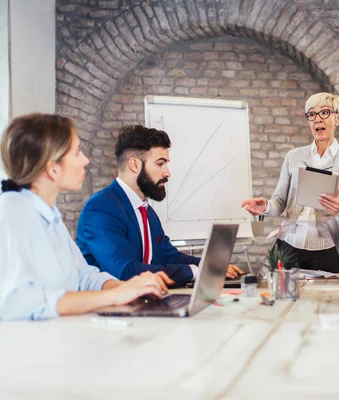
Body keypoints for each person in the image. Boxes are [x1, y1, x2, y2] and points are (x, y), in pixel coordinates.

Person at [0, 114, 171, 320]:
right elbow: (18, 300)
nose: (86, 160)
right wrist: (114, 295)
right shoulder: (13, 208)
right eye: (77, 152)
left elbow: (84, 277)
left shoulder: (51, 217)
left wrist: (130, 288)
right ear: (52, 168)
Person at [76, 125, 243, 287]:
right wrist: (196, 272)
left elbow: (168, 256)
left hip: (141, 302)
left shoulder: (146, 211)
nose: (167, 172)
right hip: (107, 311)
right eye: (160, 163)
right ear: (134, 165)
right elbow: (125, 272)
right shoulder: (100, 209)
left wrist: (211, 265)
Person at [241, 92, 339, 273]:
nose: (317, 120)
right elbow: (279, 203)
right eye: (311, 114)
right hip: (289, 245)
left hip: (329, 249)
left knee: (327, 299)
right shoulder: (293, 156)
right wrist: (265, 206)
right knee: (277, 295)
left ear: (337, 118)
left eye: (324, 113)